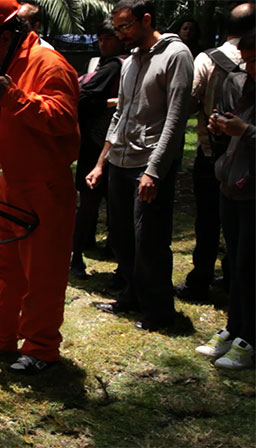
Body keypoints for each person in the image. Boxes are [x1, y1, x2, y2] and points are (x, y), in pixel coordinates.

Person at [0, 0, 80, 373]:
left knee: (42, 272)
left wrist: (13, 95)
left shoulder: (49, 64)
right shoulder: (8, 64)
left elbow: (61, 118)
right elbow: (1, 112)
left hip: (45, 185)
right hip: (12, 181)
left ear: (6, 36)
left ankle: (41, 349)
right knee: (4, 267)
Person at [86, 0, 193, 331]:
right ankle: (131, 296)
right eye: (117, 28)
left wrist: (154, 171)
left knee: (150, 239)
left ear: (146, 20)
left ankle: (160, 312)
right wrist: (101, 162)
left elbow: (175, 120)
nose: (121, 34)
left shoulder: (176, 56)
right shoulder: (129, 61)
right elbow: (120, 115)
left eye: (125, 27)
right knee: (122, 236)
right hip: (120, 160)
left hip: (149, 163)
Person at [175, 2, 253, 302]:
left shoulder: (208, 59)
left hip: (213, 153)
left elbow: (189, 103)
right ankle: (235, 278)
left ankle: (201, 279)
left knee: (208, 222)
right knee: (244, 225)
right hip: (249, 158)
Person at [196, 29, 255, 370]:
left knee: (249, 264)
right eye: (244, 62)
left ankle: (249, 338)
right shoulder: (246, 86)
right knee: (236, 261)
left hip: (253, 190)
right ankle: (234, 329)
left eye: (252, 61)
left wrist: (245, 131)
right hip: (233, 183)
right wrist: (225, 127)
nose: (247, 68)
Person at [70, 19, 127, 279]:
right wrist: (108, 102)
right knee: (90, 201)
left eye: (109, 38)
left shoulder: (119, 64)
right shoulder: (102, 65)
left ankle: (106, 252)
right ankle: (77, 255)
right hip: (95, 140)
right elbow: (82, 97)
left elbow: (84, 96)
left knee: (108, 203)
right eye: (101, 38)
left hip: (111, 141)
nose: (103, 43)